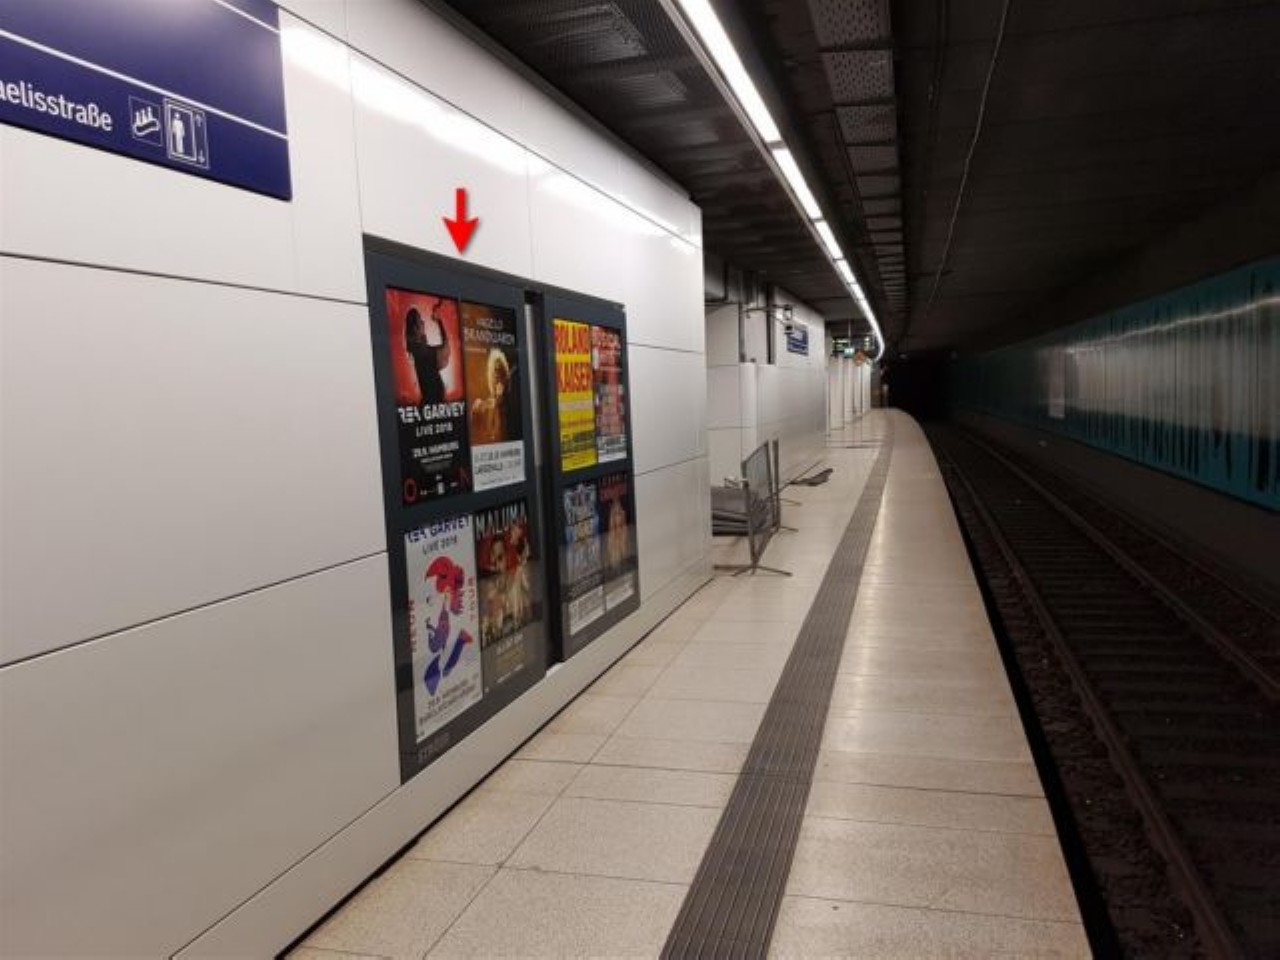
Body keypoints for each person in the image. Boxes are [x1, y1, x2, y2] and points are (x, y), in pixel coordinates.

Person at [405, 304, 451, 405]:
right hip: (434, 403)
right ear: (415, 328)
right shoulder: (421, 351)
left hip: (434, 404)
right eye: (420, 320)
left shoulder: (419, 349)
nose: (423, 322)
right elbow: (445, 351)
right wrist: (439, 322)